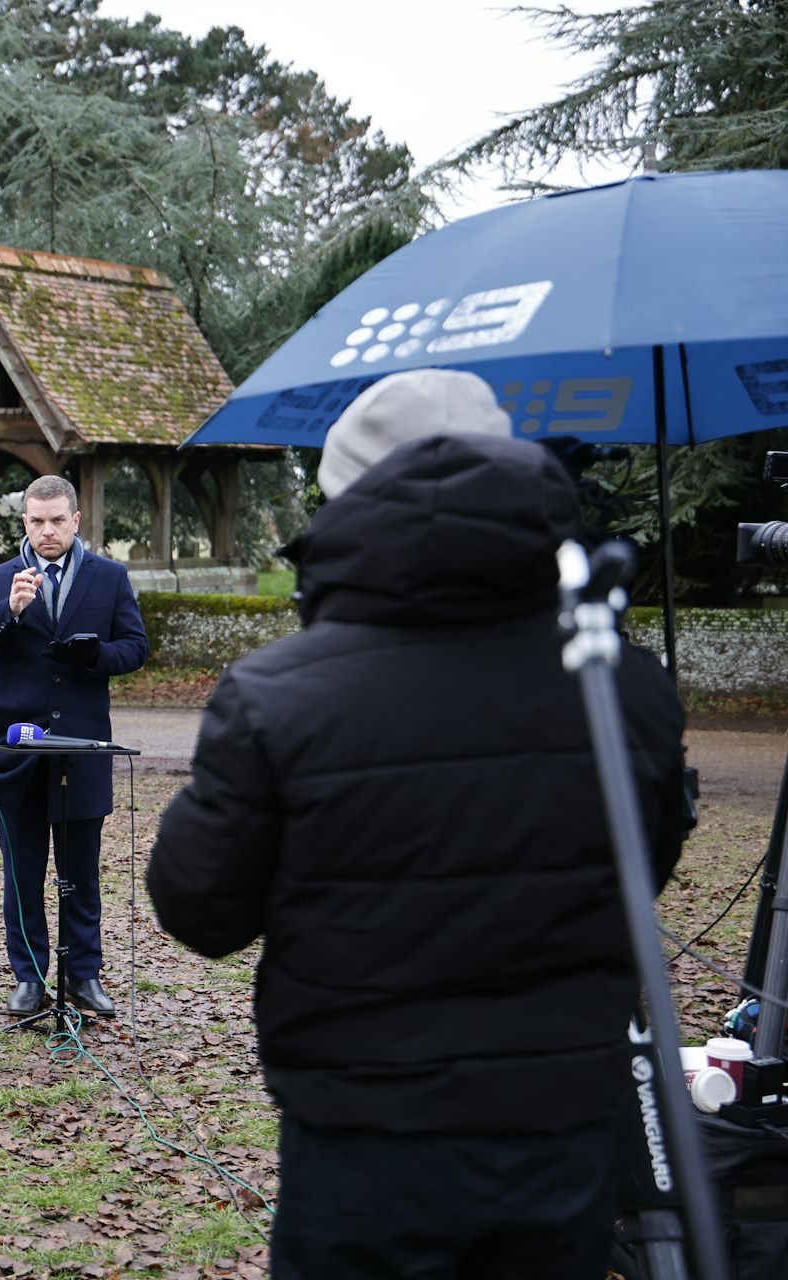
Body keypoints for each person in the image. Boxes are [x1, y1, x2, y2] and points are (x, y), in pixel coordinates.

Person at [148, 369, 692, 1278]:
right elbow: (645, 871)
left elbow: (199, 908)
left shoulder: (279, 696)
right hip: (559, 1133)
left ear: (348, 507)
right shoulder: (625, 687)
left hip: (365, 1138)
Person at [0, 474, 150, 1018]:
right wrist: (5, 615)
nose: (47, 531)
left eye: (57, 520)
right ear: (25, 522)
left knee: (81, 875)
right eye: (36, 521)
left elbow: (135, 648)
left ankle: (84, 977)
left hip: (83, 750)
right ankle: (30, 981)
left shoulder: (109, 577)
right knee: (24, 875)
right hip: (18, 756)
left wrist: (94, 656)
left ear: (76, 520)